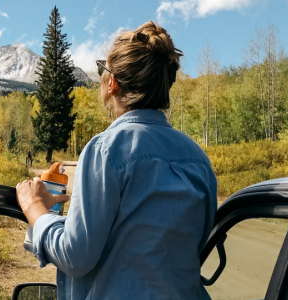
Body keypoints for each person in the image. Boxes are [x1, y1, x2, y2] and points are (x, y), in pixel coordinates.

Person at [15, 21, 218, 299]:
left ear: (112, 83)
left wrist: (35, 208)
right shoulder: (198, 159)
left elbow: (75, 256)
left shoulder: (105, 149)